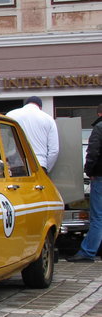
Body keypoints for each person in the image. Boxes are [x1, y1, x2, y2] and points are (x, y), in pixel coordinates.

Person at [68, 103, 102, 263]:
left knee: (98, 217)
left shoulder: (99, 128)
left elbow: (93, 152)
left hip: (100, 178)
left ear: (99, 114)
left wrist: (89, 171)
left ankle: (88, 252)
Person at [6, 96, 59, 172]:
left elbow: (5, 141)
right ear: (40, 107)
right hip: (39, 164)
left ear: (25, 104)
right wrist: (46, 169)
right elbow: (54, 150)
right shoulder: (48, 119)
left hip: (16, 164)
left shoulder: (10, 115)